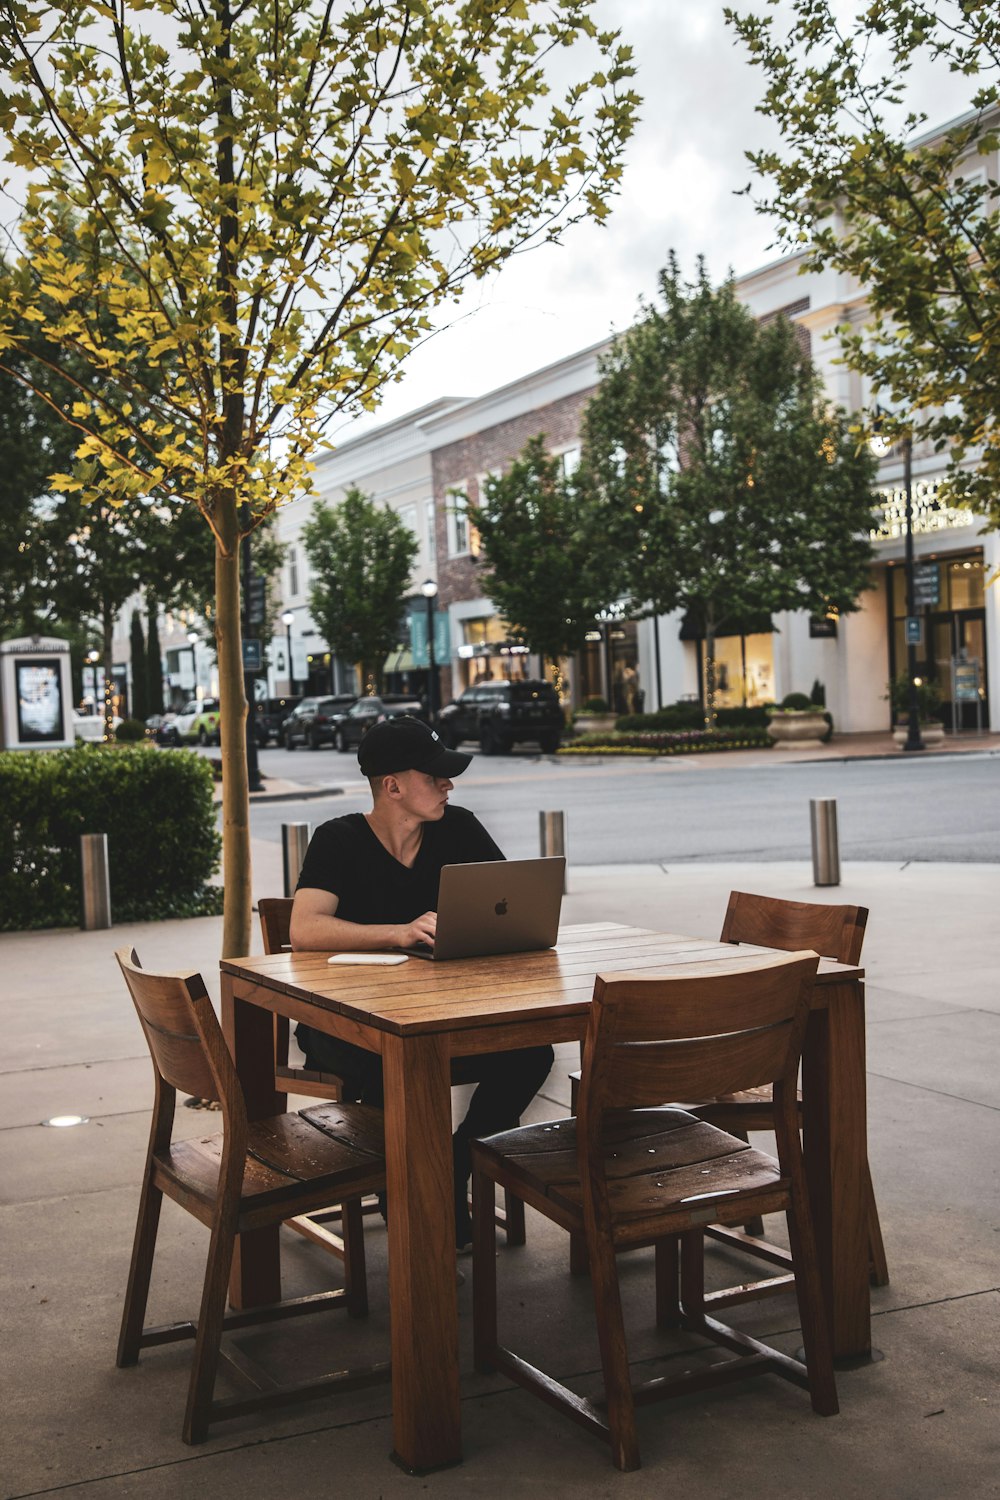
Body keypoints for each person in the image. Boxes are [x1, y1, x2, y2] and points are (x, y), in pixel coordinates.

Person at [290, 715, 554, 1249]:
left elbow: (510, 900)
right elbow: (304, 929)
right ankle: (410, 1198)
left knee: (532, 1053)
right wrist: (399, 933)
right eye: (434, 776)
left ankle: (456, 1162)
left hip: (443, 1017)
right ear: (393, 787)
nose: (447, 785)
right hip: (348, 1029)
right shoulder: (337, 840)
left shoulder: (458, 828)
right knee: (399, 1068)